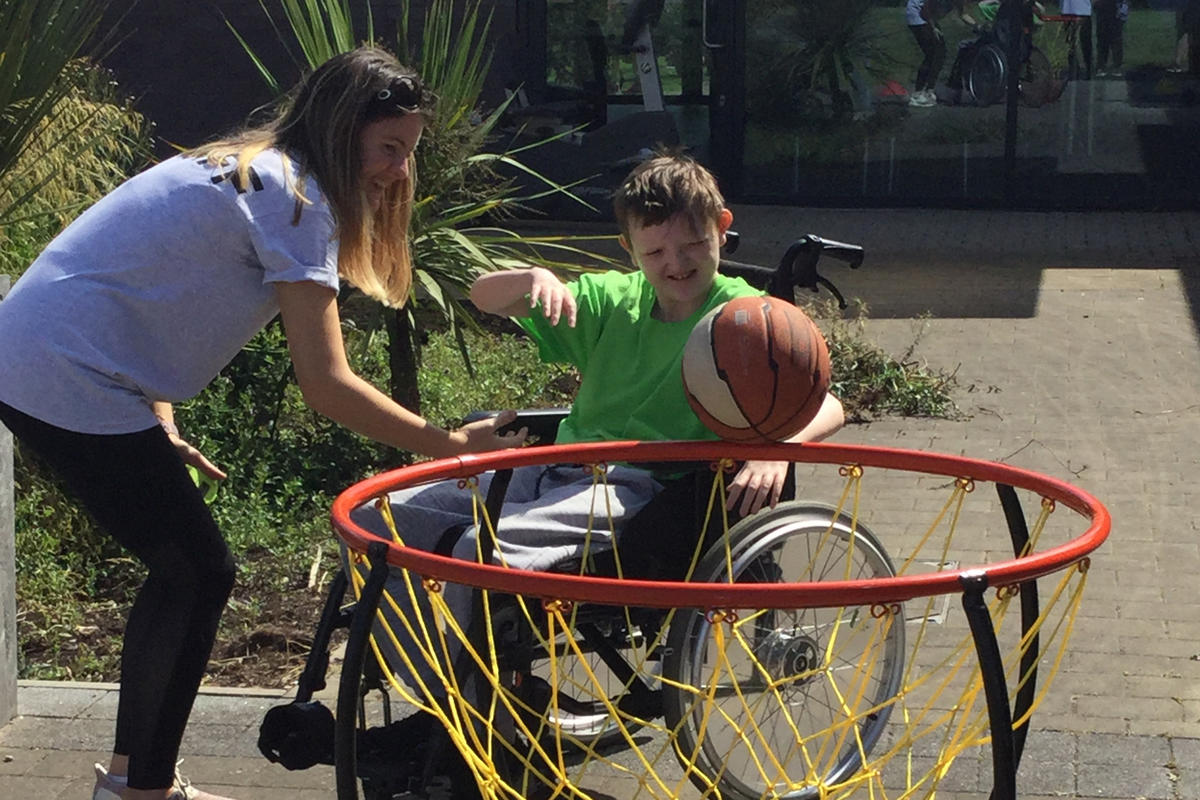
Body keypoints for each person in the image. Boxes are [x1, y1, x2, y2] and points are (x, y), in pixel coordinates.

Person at [0, 46, 527, 800]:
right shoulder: (298, 198)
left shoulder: (245, 162)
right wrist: (450, 446)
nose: (401, 172)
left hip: (44, 356)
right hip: (59, 369)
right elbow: (328, 384)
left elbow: (134, 277)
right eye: (390, 148)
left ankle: (131, 778)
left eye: (408, 152)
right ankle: (139, 791)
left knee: (184, 572)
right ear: (344, 131)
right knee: (198, 572)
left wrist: (153, 409)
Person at [345, 152, 845, 729]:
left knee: (473, 554)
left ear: (721, 229)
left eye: (691, 247)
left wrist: (775, 448)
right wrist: (529, 280)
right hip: (555, 465)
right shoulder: (613, 300)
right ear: (629, 249)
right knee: (375, 518)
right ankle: (438, 693)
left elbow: (829, 403)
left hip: (640, 487)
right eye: (655, 252)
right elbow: (483, 295)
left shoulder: (747, 316)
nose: (675, 264)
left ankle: (472, 710)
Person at [906, 0, 978, 107]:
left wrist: (977, 26)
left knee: (940, 53)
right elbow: (926, 8)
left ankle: (928, 90)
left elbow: (963, 14)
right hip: (918, 16)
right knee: (932, 54)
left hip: (928, 17)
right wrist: (933, 27)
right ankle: (918, 94)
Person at [1093, 0, 1127, 77]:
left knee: (1116, 40)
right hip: (1102, 10)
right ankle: (1101, 66)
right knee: (1102, 40)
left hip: (1115, 10)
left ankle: (1116, 66)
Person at [1062, 0, 1094, 80]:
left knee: (1084, 43)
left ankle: (1087, 70)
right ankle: (1074, 69)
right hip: (1068, 12)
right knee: (1070, 43)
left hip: (1082, 12)